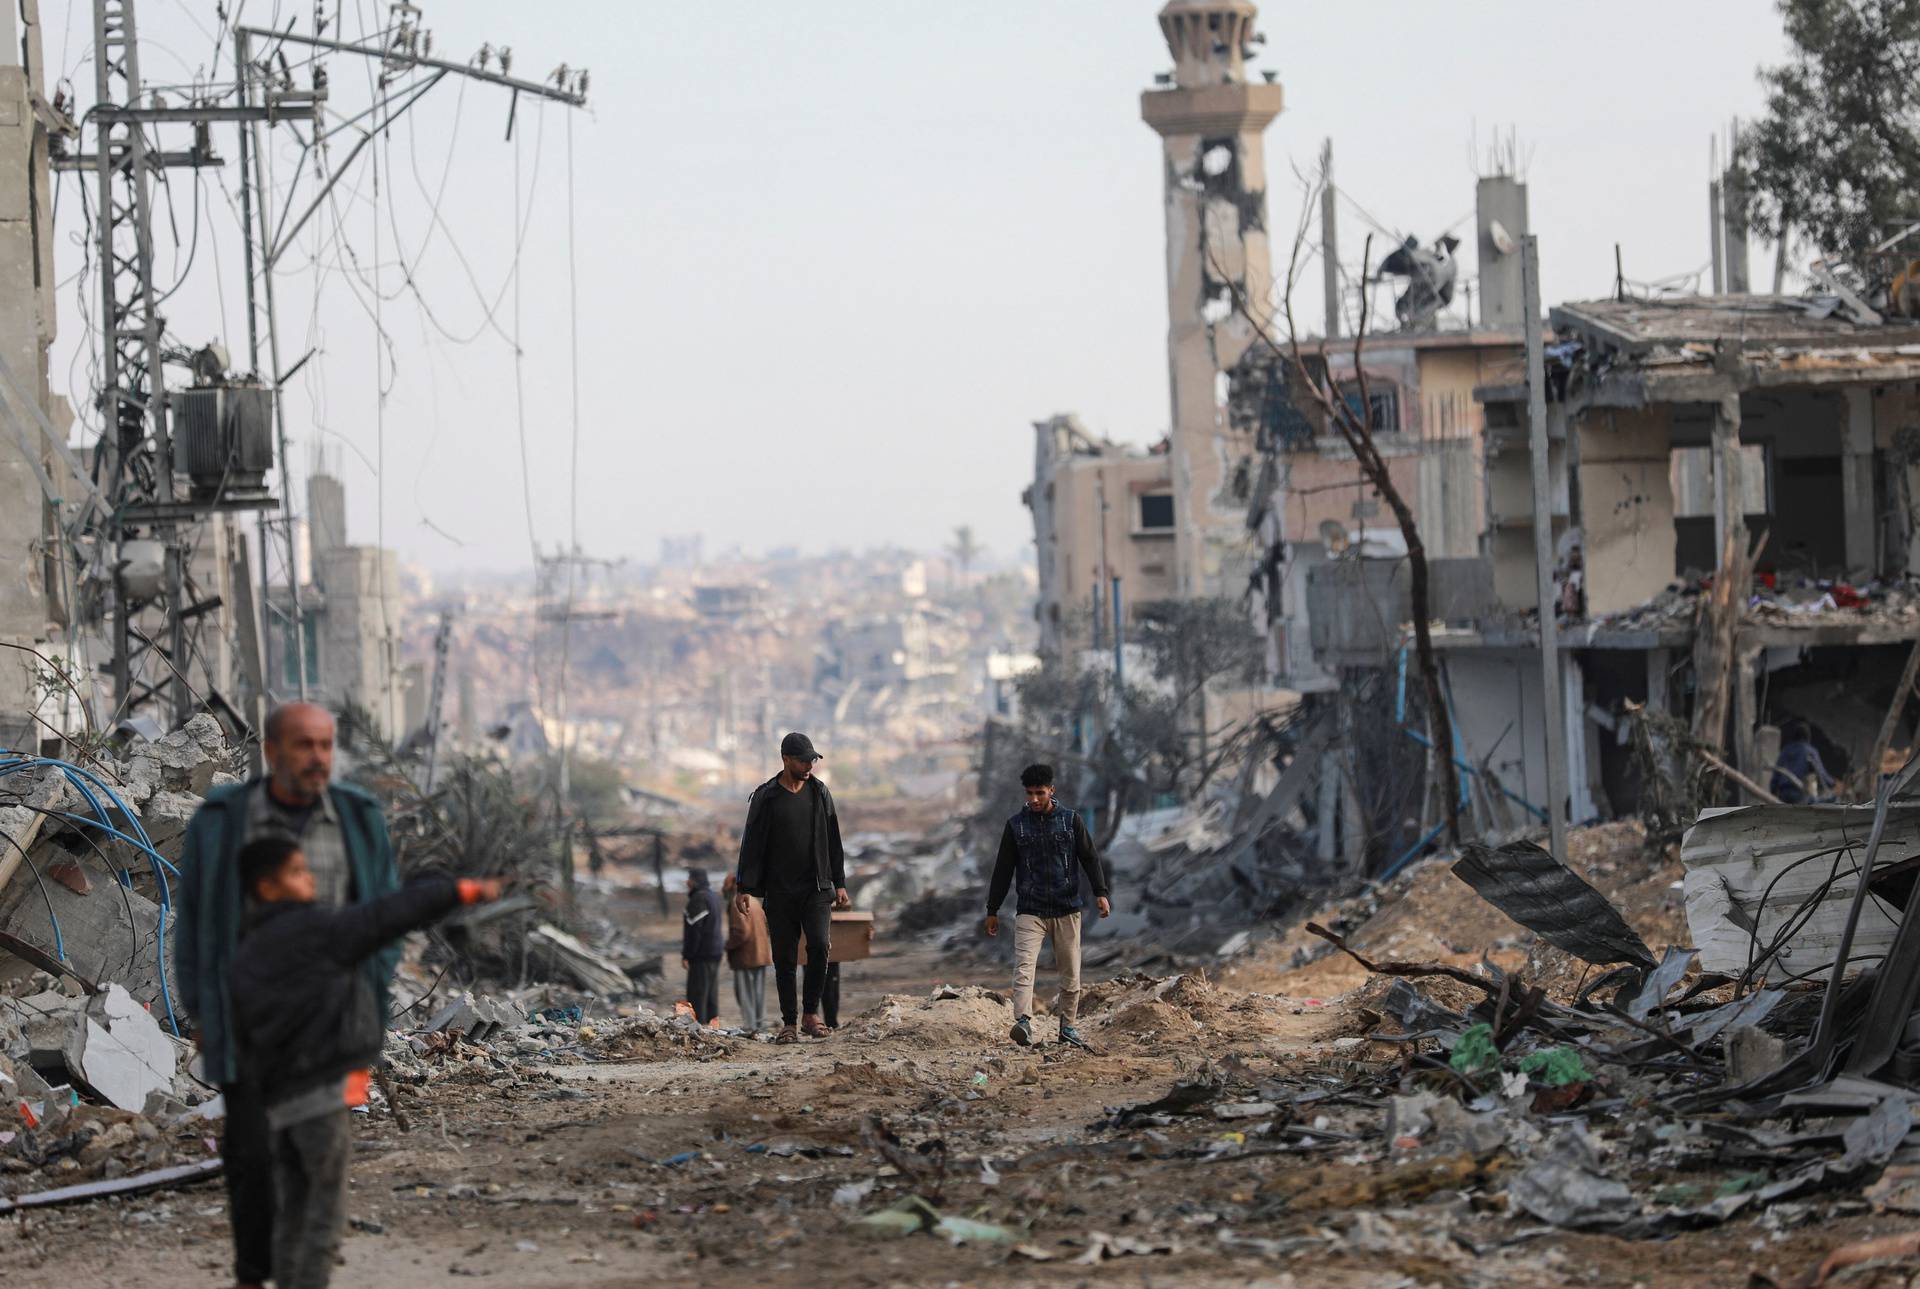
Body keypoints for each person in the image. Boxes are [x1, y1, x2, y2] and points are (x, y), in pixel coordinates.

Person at [175, 702, 400, 1289]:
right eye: (303, 745)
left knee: (318, 1164)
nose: (317, 758)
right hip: (250, 1025)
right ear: (271, 753)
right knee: (251, 1160)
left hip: (328, 1029)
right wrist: (202, 1008)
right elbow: (195, 920)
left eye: (325, 745)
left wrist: (370, 998)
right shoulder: (224, 821)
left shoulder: (358, 819)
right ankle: (253, 1274)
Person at [229, 834, 500, 1289]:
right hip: (318, 1094)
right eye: (297, 872)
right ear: (267, 886)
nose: (309, 878)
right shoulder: (316, 931)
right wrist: (465, 890)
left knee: (291, 1202)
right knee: (323, 1210)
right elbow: (391, 914)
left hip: (271, 1099)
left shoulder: (245, 944)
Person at [984, 763, 1111, 1049]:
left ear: (1051, 791)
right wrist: (992, 909)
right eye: (1029, 793)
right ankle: (1023, 1022)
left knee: (1070, 972)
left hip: (1067, 907)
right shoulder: (1016, 826)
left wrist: (1100, 892)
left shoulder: (1071, 821)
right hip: (1031, 908)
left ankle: (1067, 1027)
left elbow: (1089, 858)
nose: (1034, 799)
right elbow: (1002, 869)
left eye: (1039, 793)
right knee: (1024, 966)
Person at [734, 731, 849, 1043]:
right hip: (780, 890)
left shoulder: (820, 793)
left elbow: (833, 841)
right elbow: (752, 842)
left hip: (816, 888)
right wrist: (744, 886)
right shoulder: (766, 797)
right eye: (803, 760)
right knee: (784, 957)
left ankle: (812, 1013)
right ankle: (789, 1022)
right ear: (786, 760)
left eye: (812, 759)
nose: (809, 765)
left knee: (819, 946)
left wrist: (839, 883)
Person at [722, 873, 771, 1033]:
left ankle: (750, 1026)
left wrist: (728, 946)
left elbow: (741, 932)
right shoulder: (754, 901)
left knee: (745, 993)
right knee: (758, 993)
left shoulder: (737, 903)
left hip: (745, 956)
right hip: (761, 954)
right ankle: (760, 1024)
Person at [681, 867, 724, 1025]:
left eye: (689, 878)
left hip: (702, 954)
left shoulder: (698, 900)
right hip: (714, 952)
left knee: (698, 993)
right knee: (711, 993)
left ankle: (699, 1026)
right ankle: (712, 1026)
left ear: (695, 881)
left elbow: (694, 932)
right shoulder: (712, 897)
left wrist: (687, 955)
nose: (687, 882)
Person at [1772, 718, 1835, 804]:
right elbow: (1821, 772)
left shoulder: (1786, 750)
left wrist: (1773, 789)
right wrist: (1832, 783)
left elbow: (1776, 773)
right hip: (1799, 791)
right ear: (1808, 737)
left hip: (1784, 792)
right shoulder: (1809, 750)